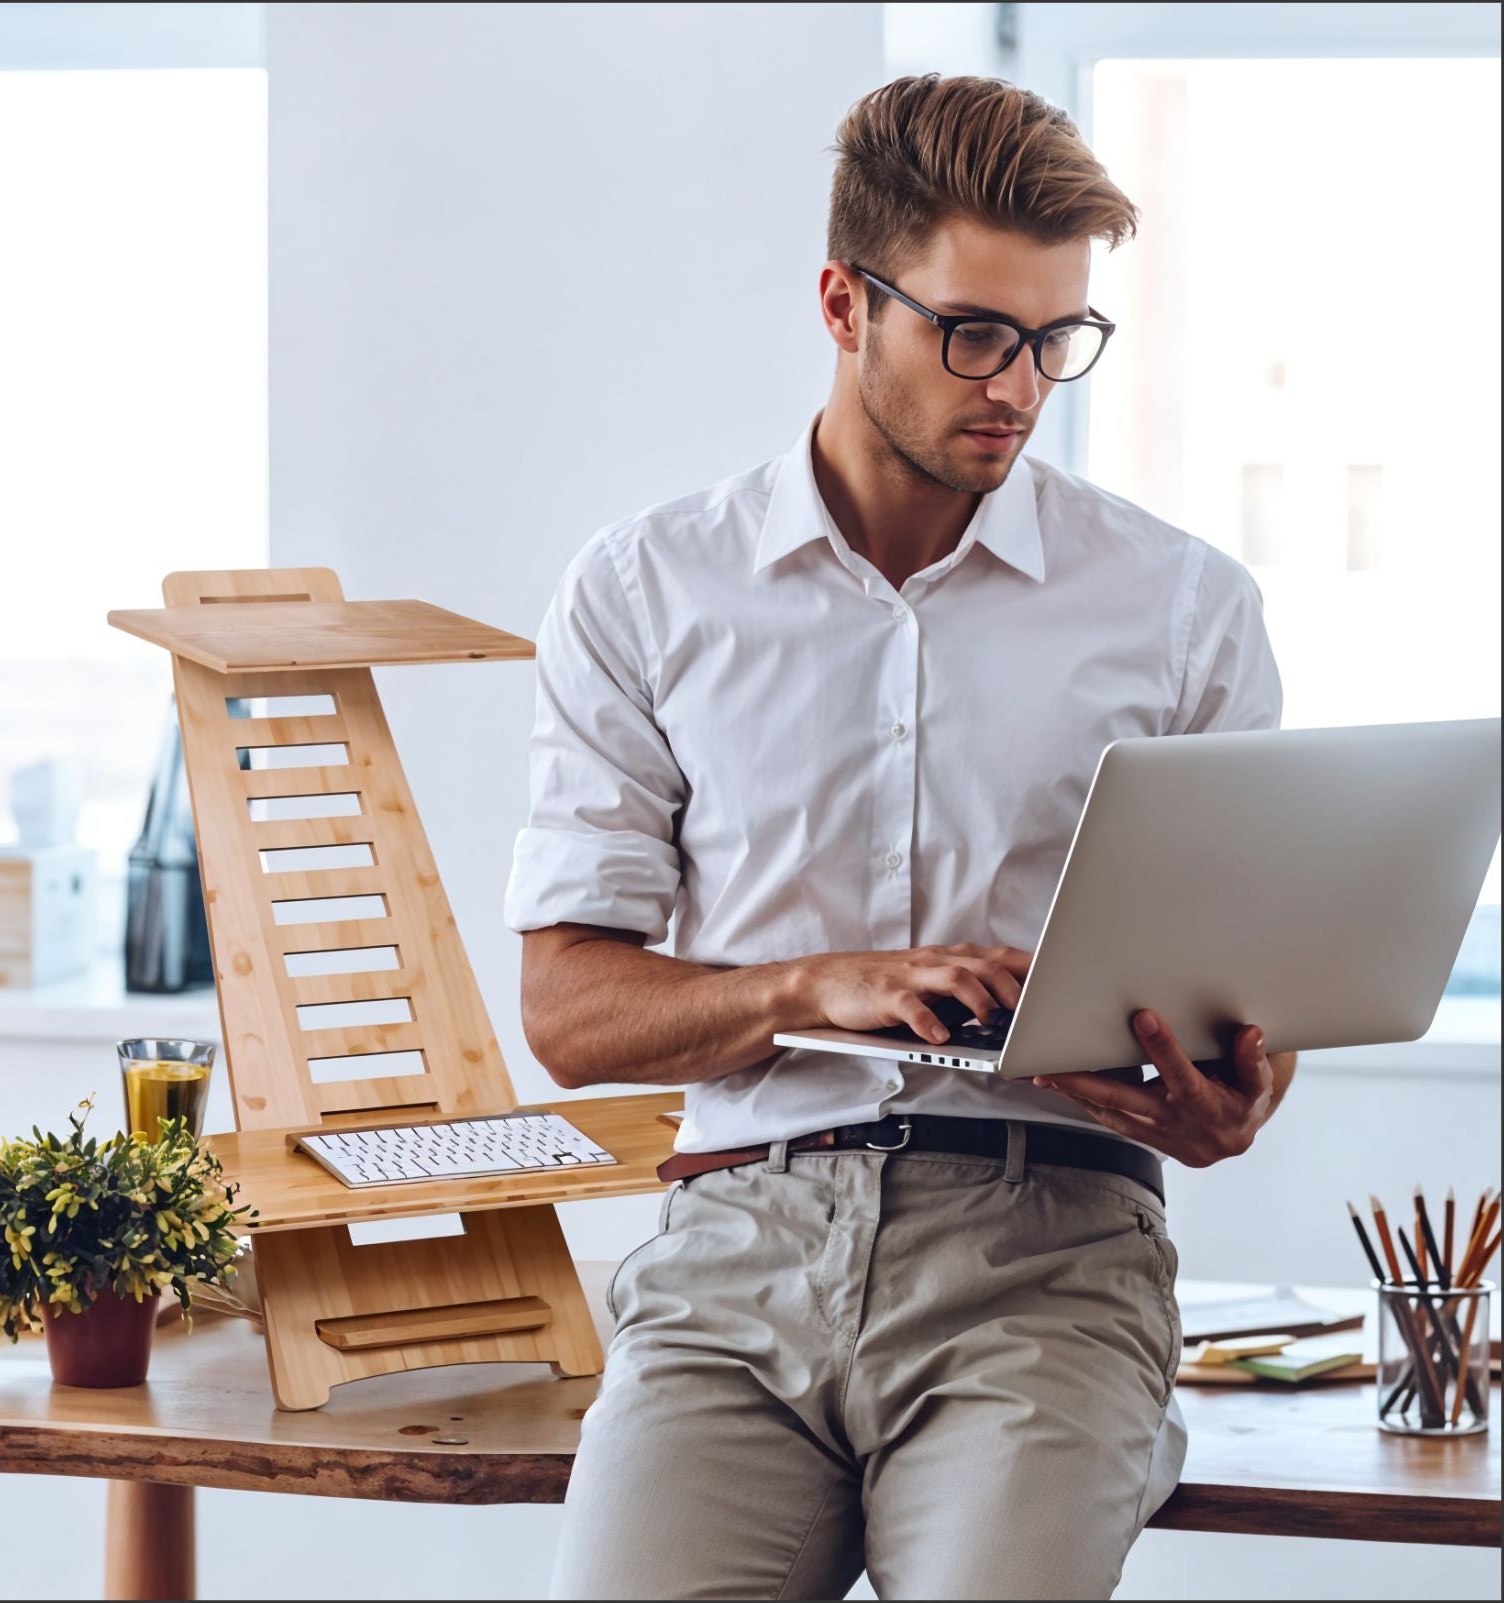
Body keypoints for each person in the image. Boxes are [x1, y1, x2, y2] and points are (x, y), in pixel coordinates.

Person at [503, 72, 1295, 1602]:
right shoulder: (646, 593)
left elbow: (1250, 1001)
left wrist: (1229, 1100)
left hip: (1047, 1254)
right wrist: (815, 987)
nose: (1018, 384)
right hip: (734, 1251)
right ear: (841, 303)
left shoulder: (1182, 609)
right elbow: (571, 1014)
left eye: (1058, 341)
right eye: (974, 331)